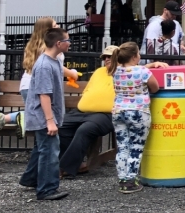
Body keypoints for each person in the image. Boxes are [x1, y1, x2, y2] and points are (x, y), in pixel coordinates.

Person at [19, 27, 72, 201]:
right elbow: (44, 94)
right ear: (58, 43)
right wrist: (50, 120)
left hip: (48, 115)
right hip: (43, 116)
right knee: (49, 151)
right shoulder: (44, 65)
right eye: (67, 41)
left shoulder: (54, 61)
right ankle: (46, 189)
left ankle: (31, 179)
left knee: (43, 148)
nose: (69, 44)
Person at [108, 42, 167, 193]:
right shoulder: (143, 72)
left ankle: (122, 179)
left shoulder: (114, 70)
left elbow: (130, 71)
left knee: (122, 147)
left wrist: (152, 64)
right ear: (135, 56)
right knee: (136, 147)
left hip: (118, 112)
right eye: (139, 54)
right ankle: (130, 181)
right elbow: (155, 87)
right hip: (138, 112)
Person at [58, 46, 117, 179]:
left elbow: (140, 68)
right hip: (81, 111)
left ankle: (63, 168)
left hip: (105, 114)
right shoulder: (99, 72)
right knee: (60, 126)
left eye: (110, 56)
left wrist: (154, 63)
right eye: (105, 57)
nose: (106, 59)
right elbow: (89, 90)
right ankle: (76, 164)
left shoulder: (126, 71)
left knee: (85, 130)